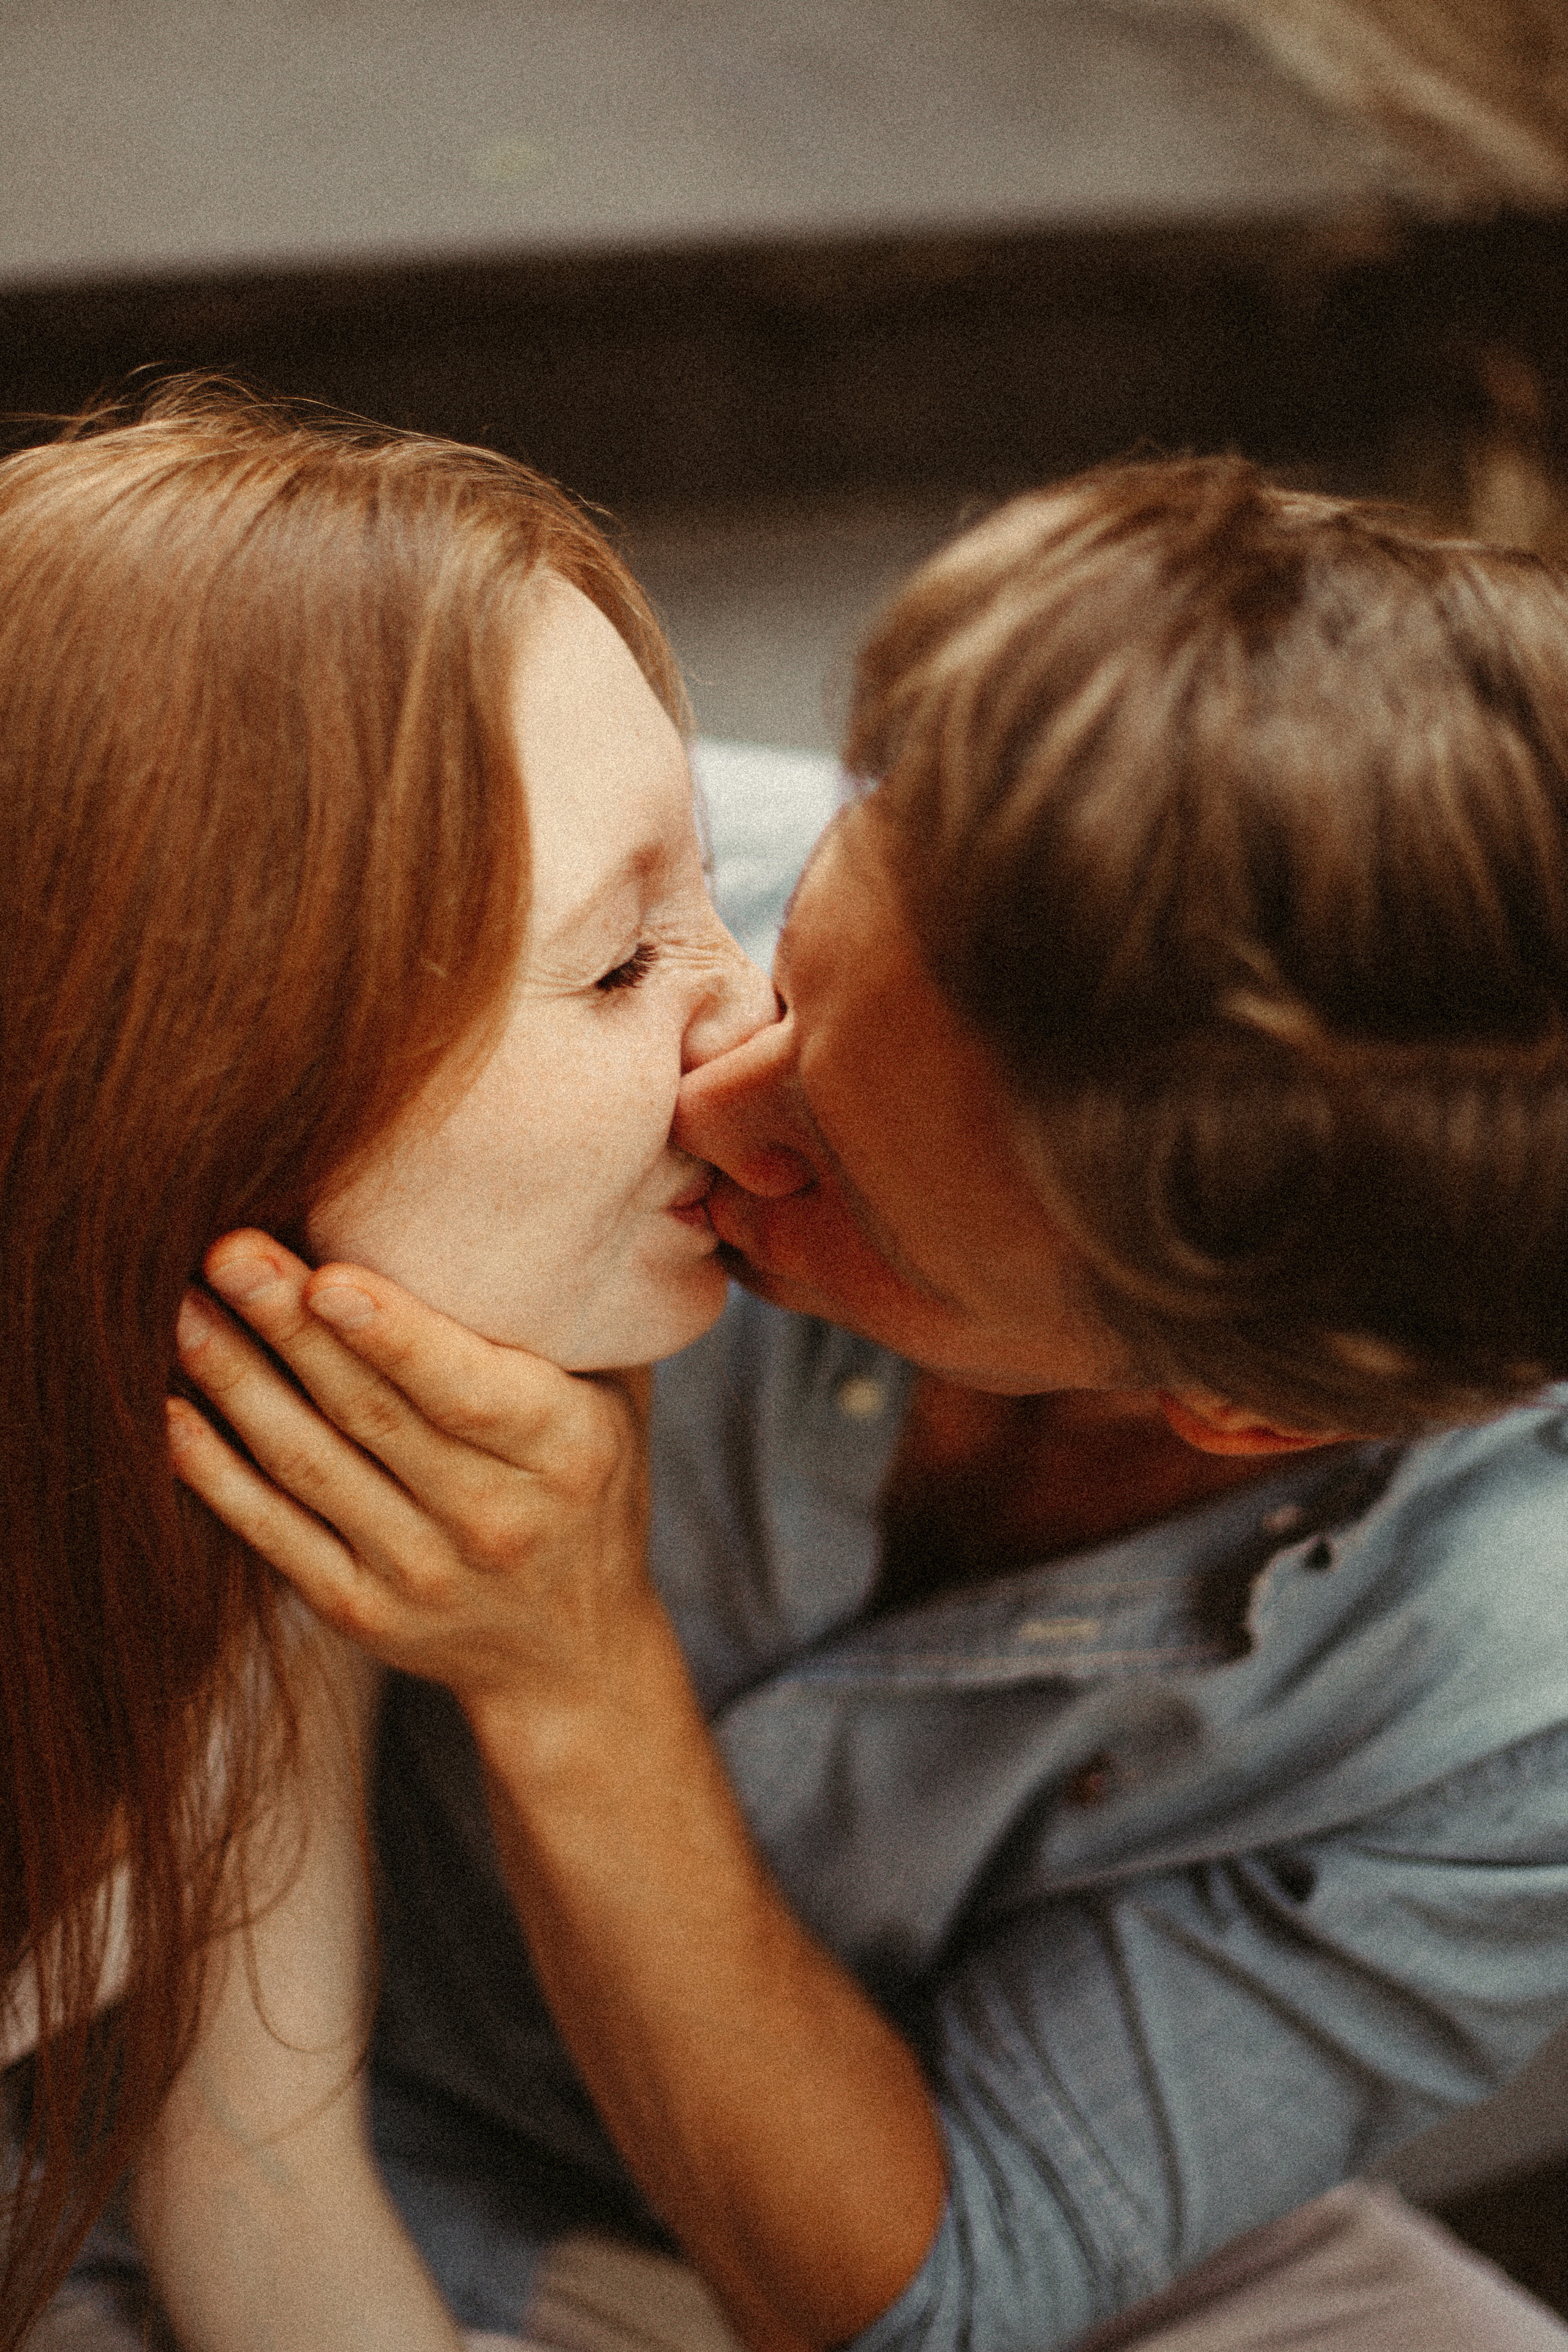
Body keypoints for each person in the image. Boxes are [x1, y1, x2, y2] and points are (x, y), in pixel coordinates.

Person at [162, 459, 1568, 2352]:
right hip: (344, 2093)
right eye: (810, 939)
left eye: (852, 1187)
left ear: (1236, 1409)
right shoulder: (608, 879)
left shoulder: (1514, 1723)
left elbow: (952, 2292)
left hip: (999, 2226)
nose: (715, 1089)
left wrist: (573, 1672)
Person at [0, 379, 772, 2351]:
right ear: (203, 1077)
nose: (744, 1021)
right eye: (619, 965)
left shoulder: (266, 1505)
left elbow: (261, 2181)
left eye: (714, 893)